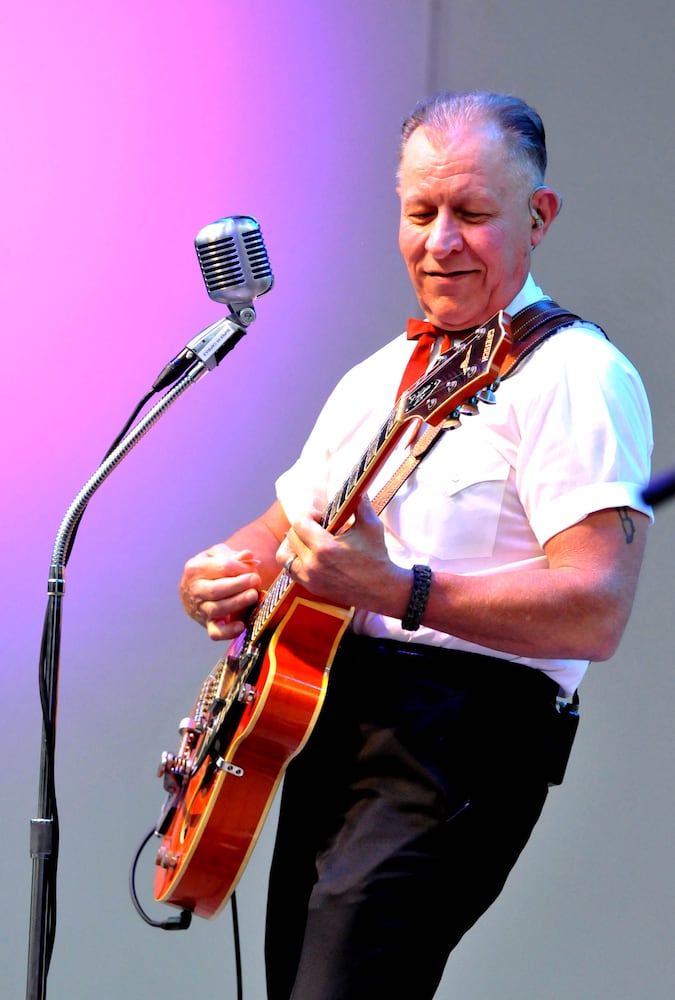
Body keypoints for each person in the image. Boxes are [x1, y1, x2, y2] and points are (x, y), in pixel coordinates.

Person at [178, 90, 653, 999]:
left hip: (461, 735)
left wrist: (394, 589)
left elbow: (596, 608)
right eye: (420, 212)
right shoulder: (377, 377)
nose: (440, 241)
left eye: (472, 214)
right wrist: (218, 574)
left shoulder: (575, 375)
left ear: (538, 216)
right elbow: (280, 535)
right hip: (327, 718)